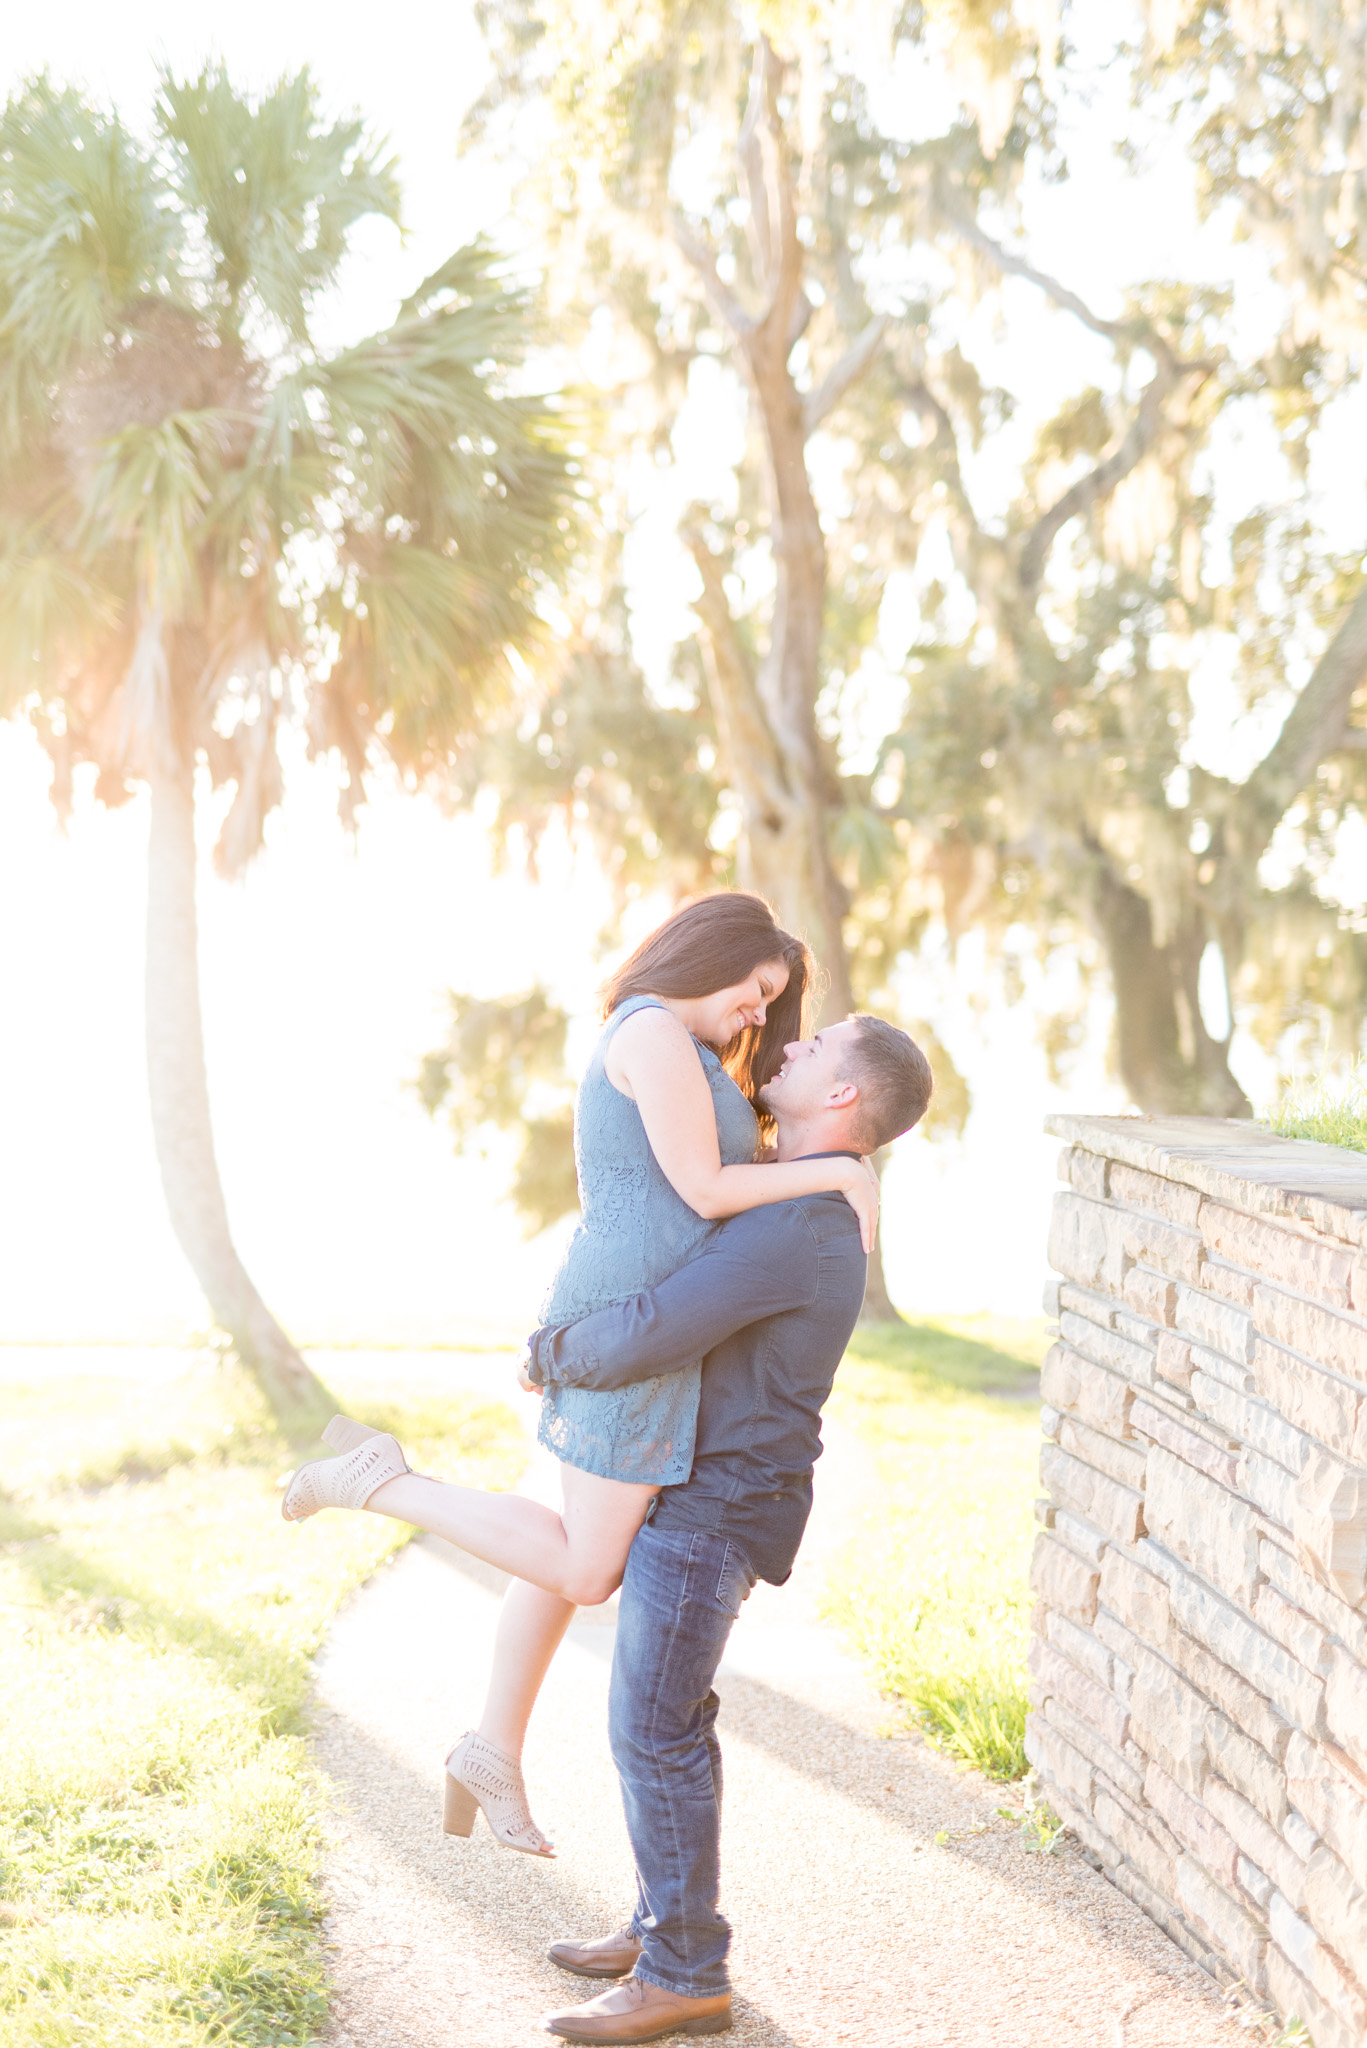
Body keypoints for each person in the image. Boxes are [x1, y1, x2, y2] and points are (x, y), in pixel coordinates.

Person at [280, 893, 880, 1857]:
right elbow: (705, 1190)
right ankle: (382, 1482)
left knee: (562, 1552)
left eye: (772, 1003)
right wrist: (844, 1173)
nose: (760, 1016)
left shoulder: (684, 1054)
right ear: (709, 956)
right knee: (585, 1564)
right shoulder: (648, 1031)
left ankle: (491, 1747)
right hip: (627, 1326)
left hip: (650, 1327)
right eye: (755, 990)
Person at [523, 1013, 934, 2043]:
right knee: (666, 1720)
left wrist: (552, 1347)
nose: (788, 1046)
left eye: (815, 1047)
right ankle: (661, 1921)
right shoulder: (797, 1198)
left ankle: (684, 1971)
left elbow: (661, 1323)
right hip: (715, 1491)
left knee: (653, 1726)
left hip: (715, 1504)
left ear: (842, 1098)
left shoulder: (795, 1224)